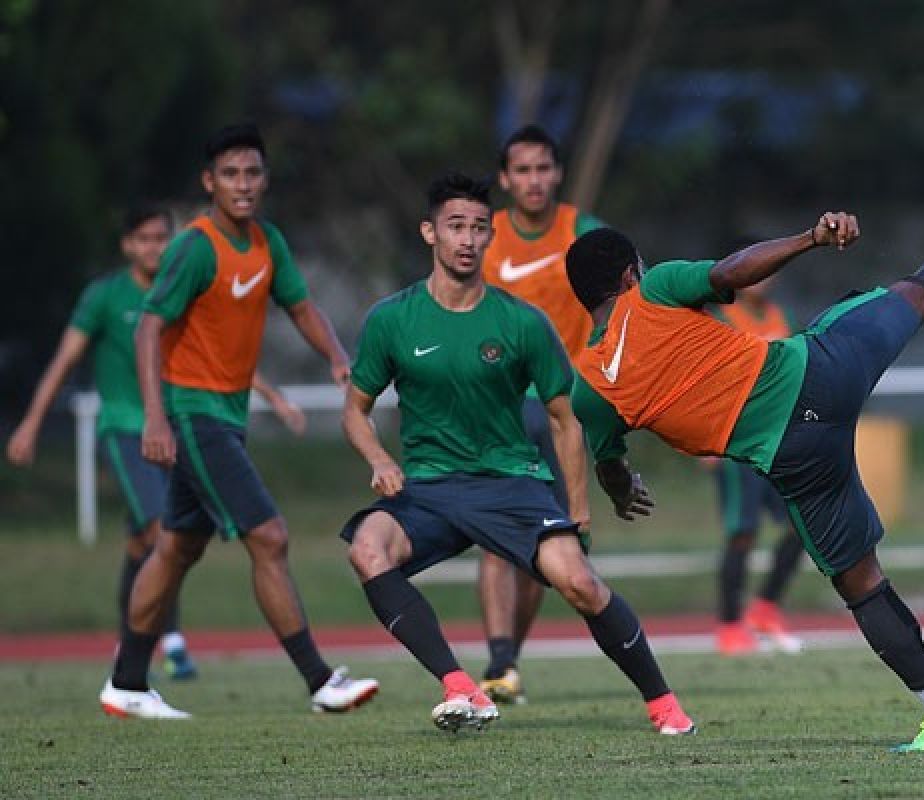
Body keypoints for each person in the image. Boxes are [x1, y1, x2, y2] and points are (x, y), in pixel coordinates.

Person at [564, 178, 924, 752]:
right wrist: (809, 238)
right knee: (917, 294)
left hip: (795, 457)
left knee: (864, 586)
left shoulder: (590, 390)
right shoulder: (652, 290)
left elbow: (609, 466)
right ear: (631, 273)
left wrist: (624, 492)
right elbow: (730, 272)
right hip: (820, 373)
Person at [339, 172, 693, 735]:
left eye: (480, 228)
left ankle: (665, 706)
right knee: (367, 549)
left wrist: (578, 508)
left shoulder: (522, 322)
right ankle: (460, 687)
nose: (468, 239)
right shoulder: (392, 319)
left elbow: (564, 416)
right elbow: (354, 409)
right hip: (428, 491)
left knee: (577, 582)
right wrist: (380, 460)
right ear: (430, 232)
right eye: (456, 226)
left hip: (511, 484)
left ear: (489, 239)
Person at [99, 123, 378, 719]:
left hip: (227, 415)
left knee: (174, 549)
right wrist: (155, 417)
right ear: (210, 182)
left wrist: (336, 357)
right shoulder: (196, 247)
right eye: (231, 174)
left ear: (264, 179)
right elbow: (149, 327)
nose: (243, 184)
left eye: (253, 173)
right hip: (195, 415)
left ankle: (125, 683)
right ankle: (320, 681)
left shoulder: (268, 242)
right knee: (269, 536)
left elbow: (301, 306)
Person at [7, 207, 307, 681]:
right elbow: (65, 359)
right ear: (127, 245)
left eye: (162, 238)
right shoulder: (105, 296)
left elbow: (221, 358)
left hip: (179, 427)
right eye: (144, 239)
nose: (155, 248)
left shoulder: (185, 286)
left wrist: (273, 397)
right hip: (127, 428)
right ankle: (170, 642)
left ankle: (128, 657)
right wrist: (31, 423)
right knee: (157, 532)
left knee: (143, 544)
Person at [477, 124, 605, 703]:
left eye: (542, 168)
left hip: (563, 414)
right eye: (521, 170)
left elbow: (636, 298)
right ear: (506, 178)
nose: (534, 180)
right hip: (497, 410)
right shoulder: (483, 238)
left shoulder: (585, 233)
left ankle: (507, 662)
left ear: (557, 172)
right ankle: (500, 661)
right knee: (494, 538)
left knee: (545, 546)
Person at [706, 275, 806, 656]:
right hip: (737, 444)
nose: (763, 278)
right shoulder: (720, 318)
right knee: (741, 532)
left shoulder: (782, 317)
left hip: (779, 443)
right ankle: (730, 625)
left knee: (803, 523)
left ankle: (765, 608)